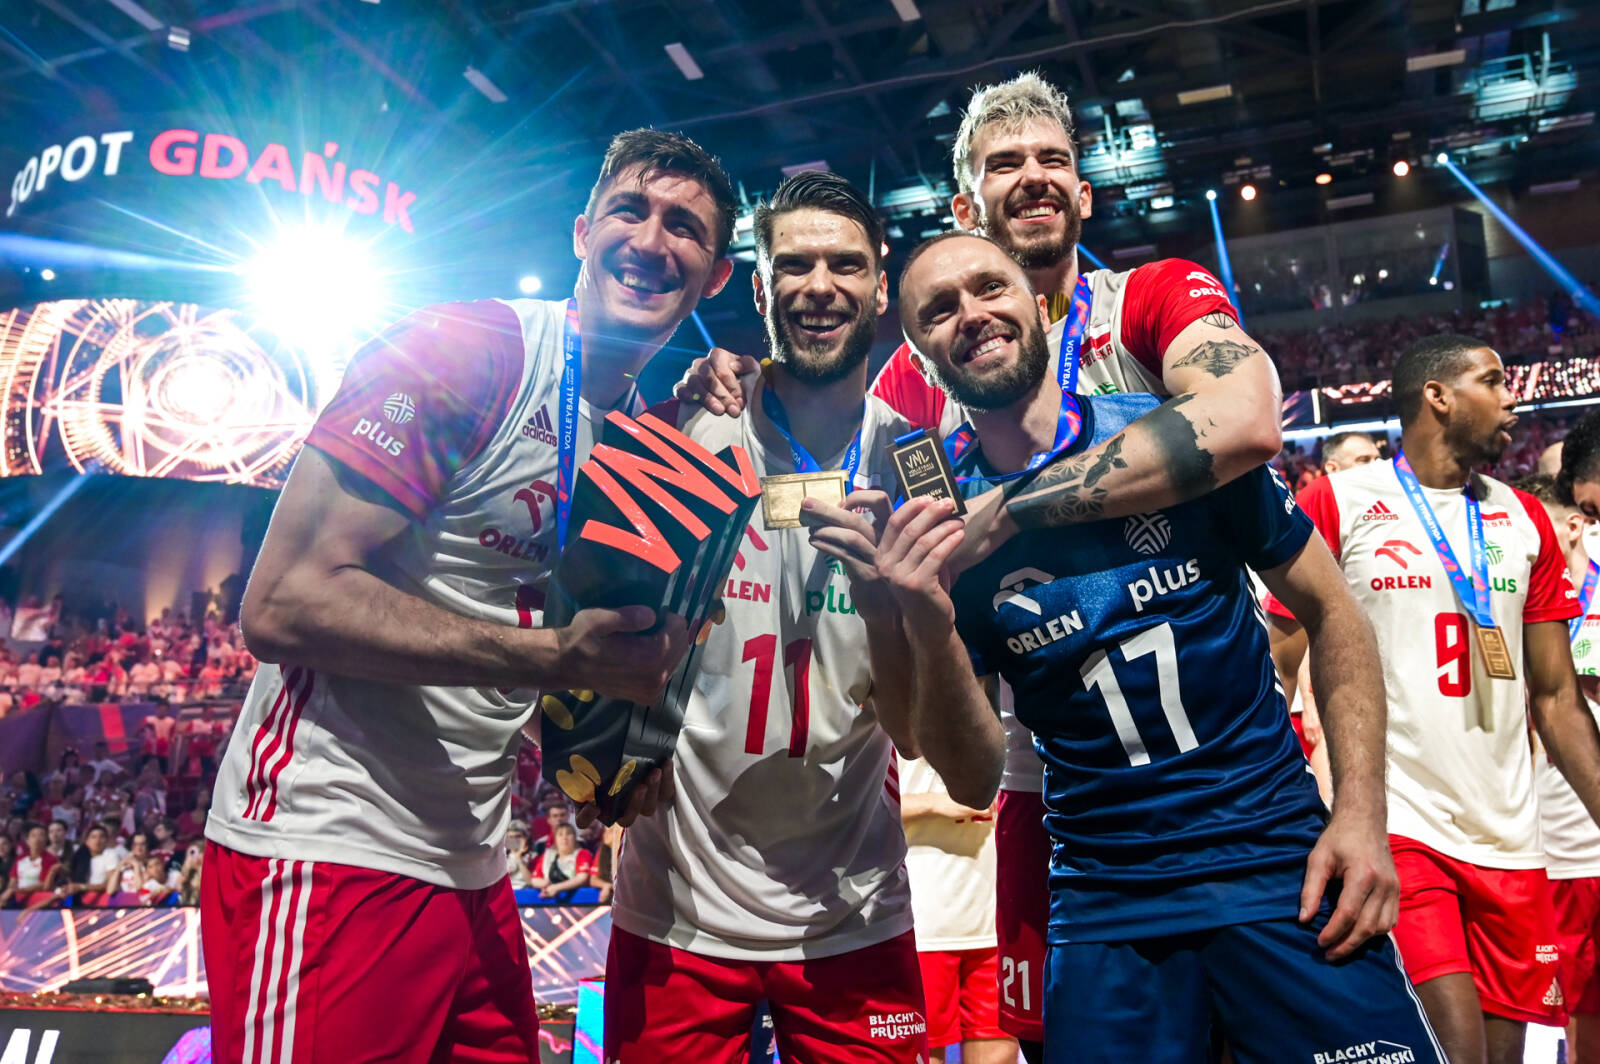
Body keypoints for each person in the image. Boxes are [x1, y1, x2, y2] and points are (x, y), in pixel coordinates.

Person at [681, 72, 1289, 1056]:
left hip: (1226, 764)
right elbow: (852, 451)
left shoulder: (1147, 300)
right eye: (1005, 164)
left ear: (1085, 188)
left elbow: (1246, 418)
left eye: (1053, 159)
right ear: (966, 207)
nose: (1033, 178)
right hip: (1053, 785)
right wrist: (739, 378)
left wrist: (1011, 506)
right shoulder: (924, 374)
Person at [814, 230, 1443, 1063]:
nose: (971, 313)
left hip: (1278, 865)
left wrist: (1361, 815)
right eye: (938, 310)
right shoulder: (944, 532)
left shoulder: (1175, 442)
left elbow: (1332, 611)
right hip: (1107, 905)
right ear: (923, 363)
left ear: (1041, 306)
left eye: (990, 287)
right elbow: (969, 777)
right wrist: (926, 618)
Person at [202, 127, 734, 1064]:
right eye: (630, 211)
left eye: (684, 227)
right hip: (330, 842)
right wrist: (554, 660)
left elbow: (510, 614)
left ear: (717, 276)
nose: (652, 242)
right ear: (581, 233)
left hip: (475, 865)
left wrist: (603, 756)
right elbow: (281, 602)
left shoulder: (636, 432)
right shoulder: (466, 350)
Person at [607, 171, 1002, 1064]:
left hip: (851, 919)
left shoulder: (920, 466)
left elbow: (930, 741)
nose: (820, 286)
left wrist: (895, 606)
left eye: (845, 265)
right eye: (794, 265)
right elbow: (600, 637)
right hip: (676, 912)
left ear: (880, 287)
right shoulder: (681, 431)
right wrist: (603, 762)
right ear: (759, 288)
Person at [1271, 334, 1600, 1064]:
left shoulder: (1525, 519)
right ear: (1438, 396)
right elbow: (1278, 664)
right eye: (1493, 381)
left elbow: (1555, 697)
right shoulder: (1339, 501)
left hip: (1511, 836)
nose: (1512, 399)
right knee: (1453, 1049)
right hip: (1400, 828)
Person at [1516, 472, 1600, 1064]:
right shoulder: (1518, 604)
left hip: (1586, 841)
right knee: (1574, 1012)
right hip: (1556, 845)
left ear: (1573, 525)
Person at [897, 756, 1014, 1064]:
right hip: (921, 924)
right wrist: (933, 803)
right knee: (923, 1053)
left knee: (1001, 1048)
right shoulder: (886, 726)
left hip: (996, 921)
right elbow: (852, 803)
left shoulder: (1014, 723)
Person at [3, 824, 63, 910]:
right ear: (27, 840)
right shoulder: (20, 858)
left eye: (41, 835)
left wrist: (17, 890)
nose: (37, 838)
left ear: (46, 840)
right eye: (34, 835)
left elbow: (43, 885)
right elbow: (13, 881)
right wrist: (11, 891)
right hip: (17, 895)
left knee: (54, 899)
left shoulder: (51, 859)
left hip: (36, 893)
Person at [529, 823, 593, 903]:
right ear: (555, 839)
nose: (564, 838)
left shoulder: (583, 853)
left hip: (577, 901)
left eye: (568, 834)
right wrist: (546, 884)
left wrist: (556, 888)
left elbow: (582, 878)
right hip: (549, 901)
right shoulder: (547, 855)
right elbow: (534, 880)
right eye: (560, 834)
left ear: (575, 838)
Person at [67, 823, 118, 906]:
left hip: (104, 901)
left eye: (102, 837)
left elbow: (110, 884)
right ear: (87, 841)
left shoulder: (110, 854)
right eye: (93, 837)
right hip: (81, 900)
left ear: (107, 840)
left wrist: (81, 887)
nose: (98, 840)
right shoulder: (80, 857)